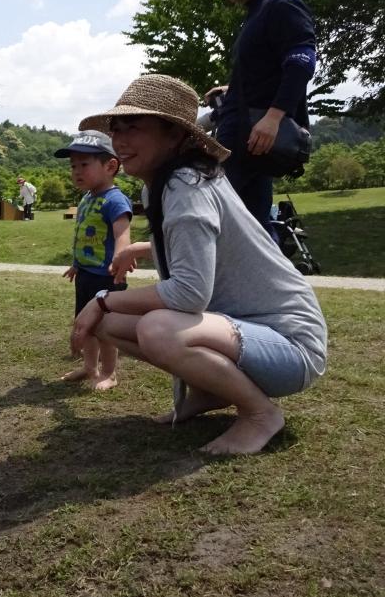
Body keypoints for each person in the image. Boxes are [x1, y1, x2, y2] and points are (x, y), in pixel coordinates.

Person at [71, 74, 327, 455]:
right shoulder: (161, 183)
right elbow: (198, 251)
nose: (120, 140)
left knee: (155, 328)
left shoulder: (185, 186)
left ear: (174, 135)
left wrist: (102, 299)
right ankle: (210, 390)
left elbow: (189, 293)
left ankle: (260, 414)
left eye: (134, 127)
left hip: (290, 347)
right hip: (245, 335)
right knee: (110, 326)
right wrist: (141, 249)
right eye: (116, 128)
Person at [205, 0, 316, 235]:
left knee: (213, 211)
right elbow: (269, 69)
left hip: (254, 134)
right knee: (254, 226)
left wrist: (274, 117)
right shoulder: (258, 10)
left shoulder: (280, 3)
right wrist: (233, 90)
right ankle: (271, 283)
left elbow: (302, 60)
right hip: (247, 133)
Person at [55, 131, 133, 390]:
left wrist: (121, 258)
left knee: (106, 329)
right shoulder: (87, 198)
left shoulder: (115, 199)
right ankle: (90, 367)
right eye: (73, 166)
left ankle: (109, 373)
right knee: (85, 323)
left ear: (110, 166)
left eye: (84, 165)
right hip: (87, 275)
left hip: (108, 276)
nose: (76, 171)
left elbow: (122, 234)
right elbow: (86, 236)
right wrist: (77, 264)